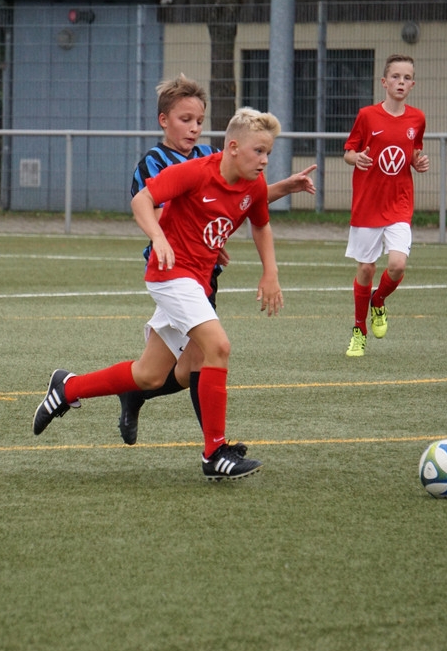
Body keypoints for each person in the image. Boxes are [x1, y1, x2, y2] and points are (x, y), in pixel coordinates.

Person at [34, 107, 284, 481]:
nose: (264, 160)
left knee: (152, 375)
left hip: (198, 281)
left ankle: (67, 388)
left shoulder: (254, 186)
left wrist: (270, 272)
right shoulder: (196, 172)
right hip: (171, 276)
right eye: (258, 151)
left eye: (268, 153)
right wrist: (159, 237)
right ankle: (215, 453)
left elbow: (261, 225)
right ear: (233, 147)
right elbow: (142, 200)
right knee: (218, 347)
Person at [117, 74, 315, 445]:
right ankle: (215, 447)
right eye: (185, 120)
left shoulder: (210, 155)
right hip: (173, 269)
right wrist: (196, 234)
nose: (194, 128)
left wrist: (284, 187)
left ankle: (134, 394)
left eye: (199, 121)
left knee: (176, 371)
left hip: (205, 270)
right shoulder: (154, 162)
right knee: (208, 355)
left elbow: (242, 199)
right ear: (164, 121)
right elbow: (156, 210)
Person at [342, 54, 429, 357]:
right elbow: (349, 151)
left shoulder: (417, 119)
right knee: (366, 268)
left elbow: (413, 152)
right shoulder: (367, 116)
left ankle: (378, 300)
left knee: (397, 264)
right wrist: (356, 158)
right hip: (368, 204)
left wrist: (418, 162)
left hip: (399, 204)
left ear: (412, 84)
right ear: (384, 82)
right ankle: (359, 329)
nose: (400, 82)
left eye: (406, 78)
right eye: (395, 77)